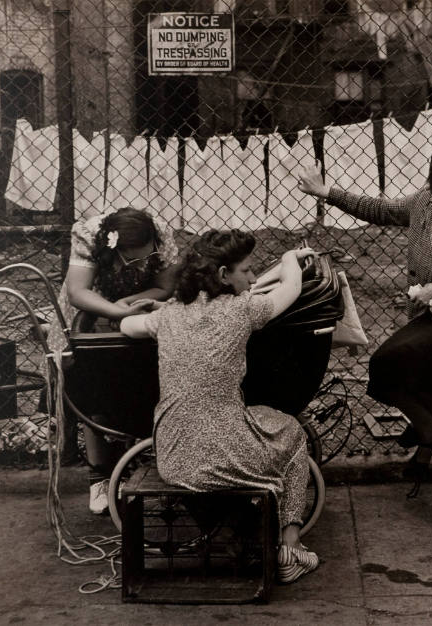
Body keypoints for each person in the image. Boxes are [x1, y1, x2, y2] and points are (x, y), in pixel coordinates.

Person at [298, 138, 432, 478]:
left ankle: (430, 428)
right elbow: (379, 210)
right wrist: (327, 193)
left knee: (400, 357)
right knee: (386, 366)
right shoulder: (426, 203)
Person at [120, 230, 320, 584]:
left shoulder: (169, 316)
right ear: (224, 275)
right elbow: (291, 288)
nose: (254, 278)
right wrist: (290, 259)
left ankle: (240, 530)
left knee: (247, 427)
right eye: (247, 270)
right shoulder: (242, 309)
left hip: (173, 458)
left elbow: (126, 324)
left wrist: (156, 313)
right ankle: (291, 545)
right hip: (223, 453)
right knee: (291, 432)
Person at [47, 207, 179, 514]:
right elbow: (78, 292)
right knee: (93, 386)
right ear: (116, 251)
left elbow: (165, 286)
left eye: (150, 256)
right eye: (136, 260)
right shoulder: (89, 236)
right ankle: (99, 477)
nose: (146, 263)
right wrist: (115, 311)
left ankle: (136, 460)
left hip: (137, 306)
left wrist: (129, 303)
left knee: (137, 381)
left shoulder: (159, 233)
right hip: (91, 309)